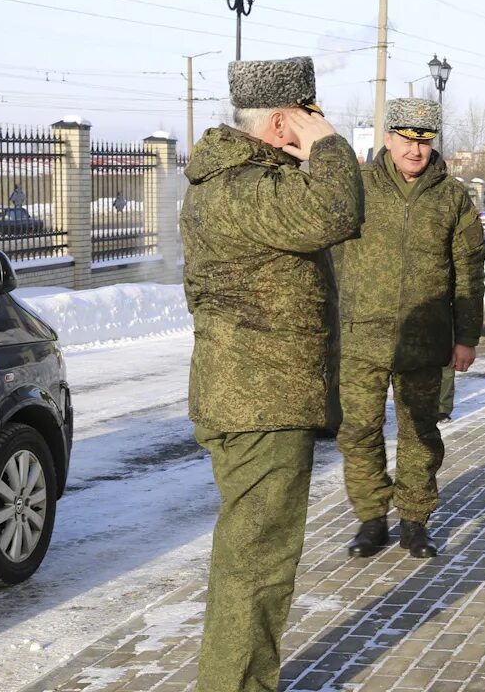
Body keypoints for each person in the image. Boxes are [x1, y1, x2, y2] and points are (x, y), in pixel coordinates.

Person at [180, 56, 363, 692]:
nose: (315, 126)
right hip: (260, 403)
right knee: (257, 566)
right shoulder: (246, 187)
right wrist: (331, 144)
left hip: (255, 397)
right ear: (283, 120)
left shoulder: (238, 182)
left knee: (253, 561)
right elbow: (338, 212)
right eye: (308, 116)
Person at [334, 97, 485, 559]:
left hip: (426, 338)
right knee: (358, 430)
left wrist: (466, 337)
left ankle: (414, 520)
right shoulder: (356, 188)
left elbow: (468, 271)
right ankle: (371, 519)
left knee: (420, 432)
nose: (415, 151)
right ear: (388, 139)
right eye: (405, 140)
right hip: (361, 337)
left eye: (423, 142)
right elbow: (331, 259)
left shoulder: (452, 197)